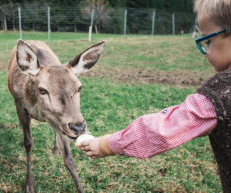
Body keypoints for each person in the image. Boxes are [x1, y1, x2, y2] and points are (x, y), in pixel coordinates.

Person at [78, 0, 231, 191]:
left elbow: (162, 130)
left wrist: (105, 144)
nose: (205, 52)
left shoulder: (219, 97)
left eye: (208, 41)